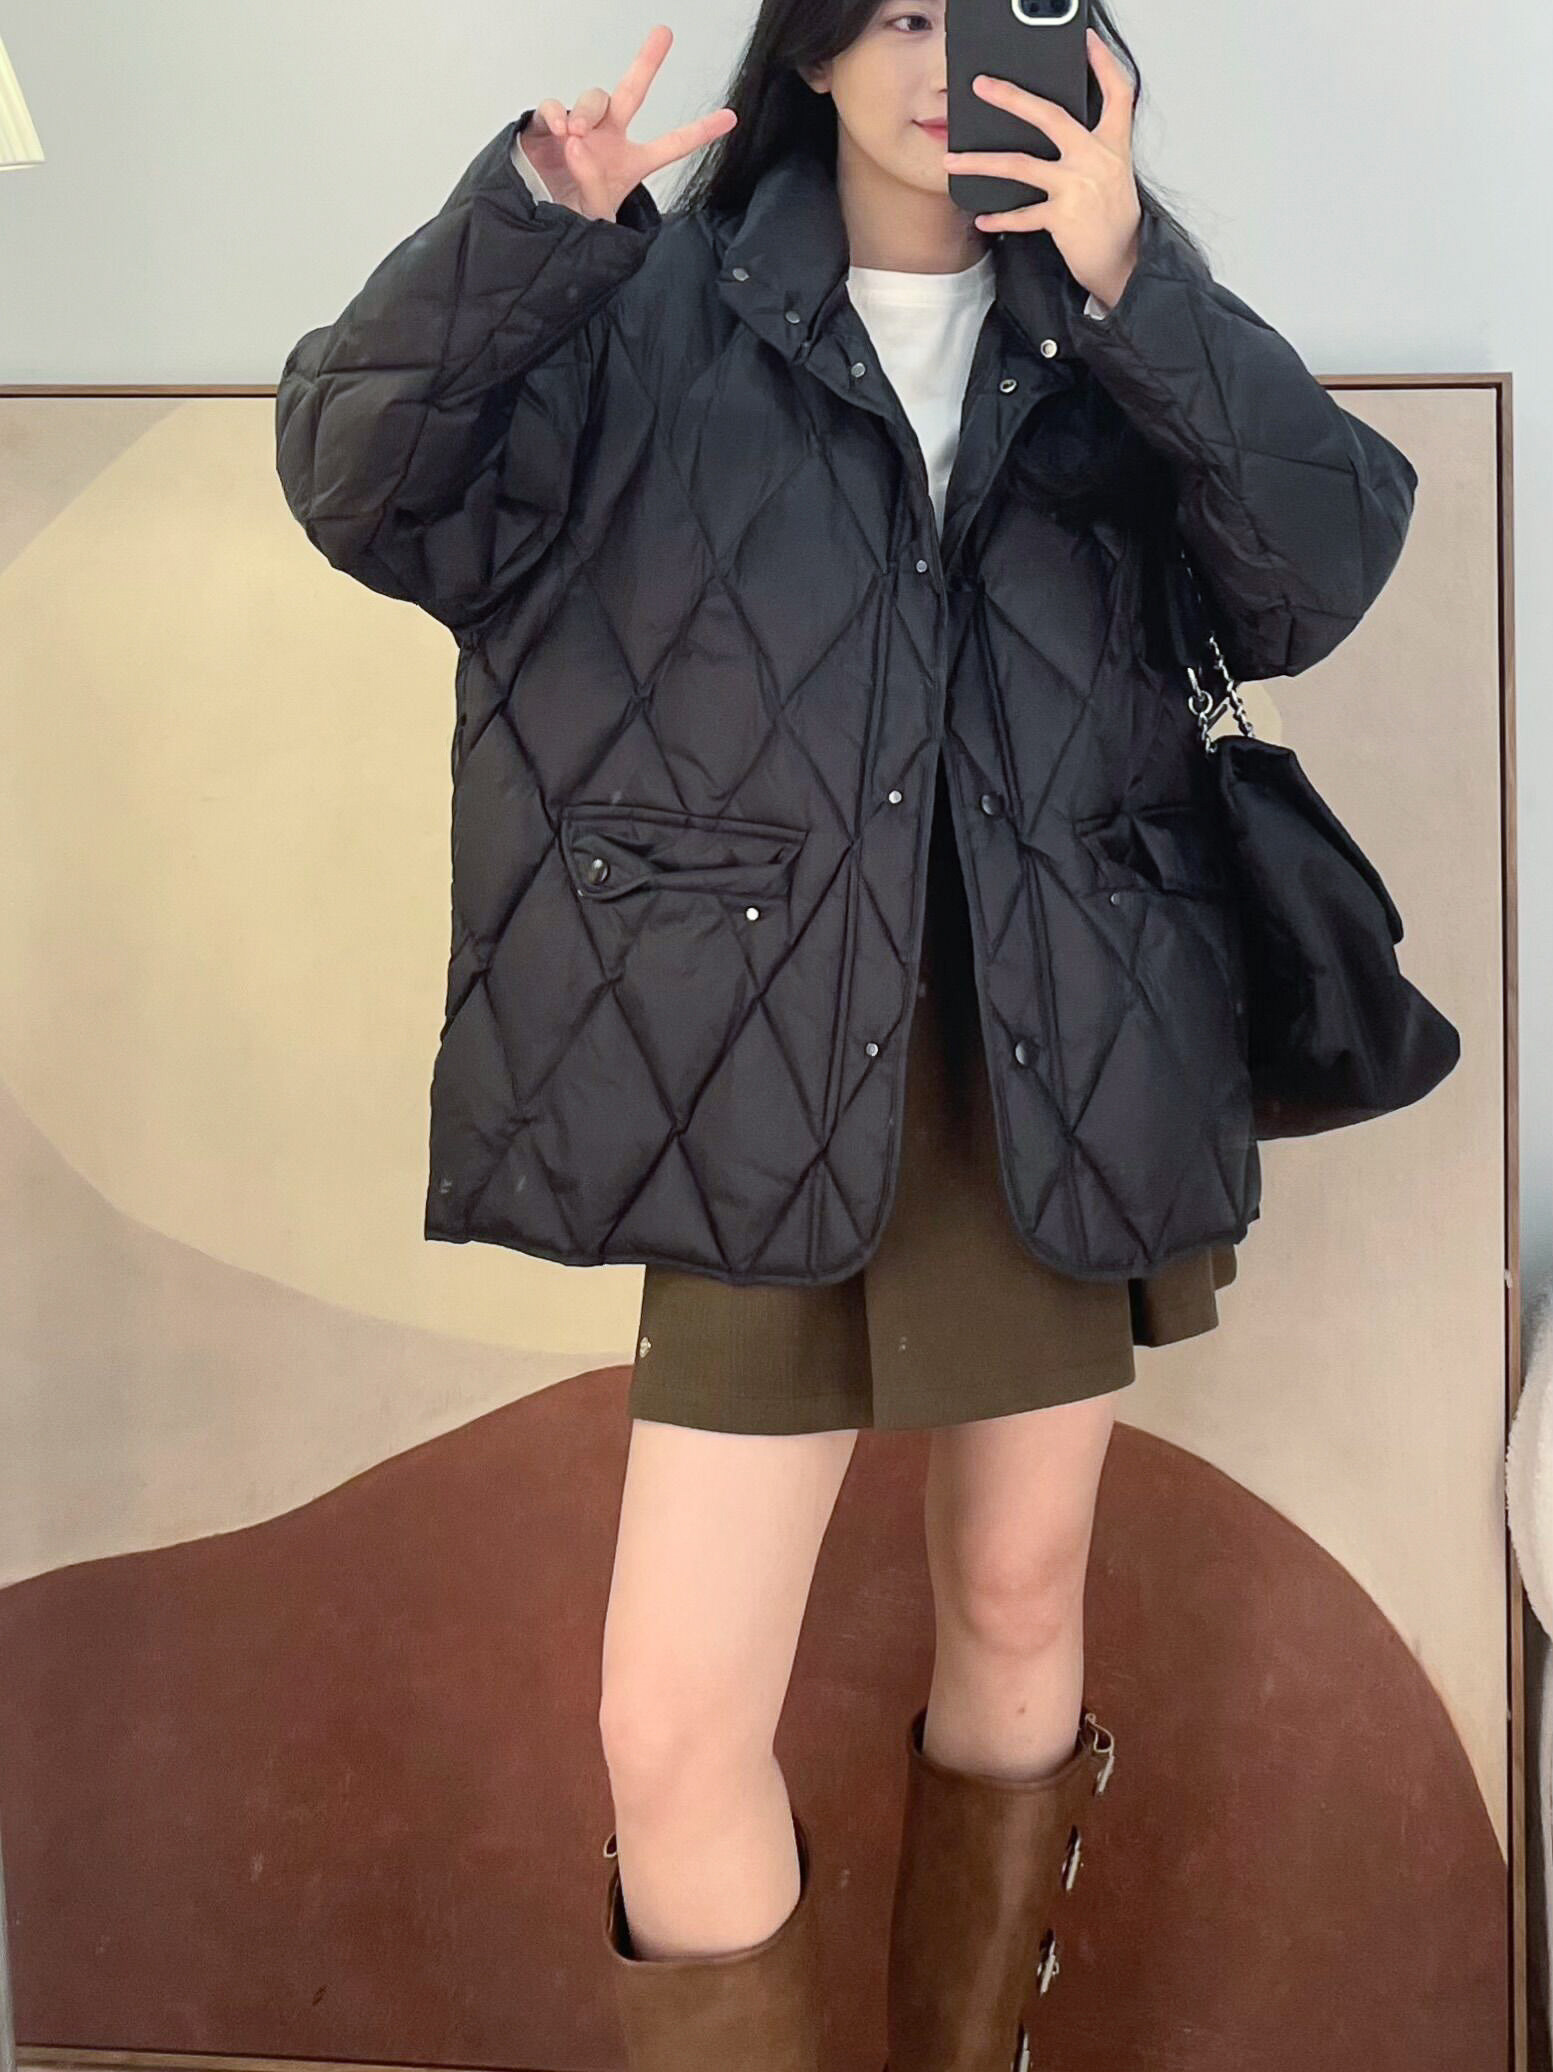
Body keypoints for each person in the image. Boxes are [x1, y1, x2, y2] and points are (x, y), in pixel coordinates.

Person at [274, 7, 1417, 2066]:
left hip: (1057, 1043)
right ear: (806, 51)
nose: (939, 54)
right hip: (749, 1063)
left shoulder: (1110, 330)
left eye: (985, 8)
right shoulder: (642, 315)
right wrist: (525, 222)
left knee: (1019, 1602)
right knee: (667, 1722)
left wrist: (1134, 271)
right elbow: (359, 485)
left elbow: (1318, 571)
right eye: (893, 9)